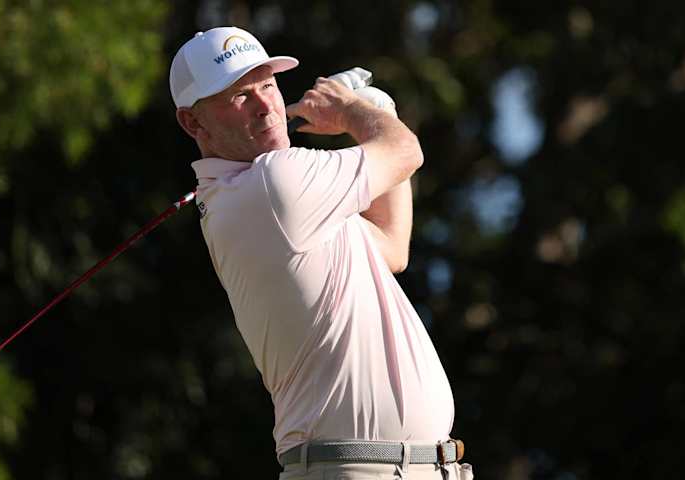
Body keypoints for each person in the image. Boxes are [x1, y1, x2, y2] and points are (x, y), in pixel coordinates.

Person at [171, 26, 472, 480]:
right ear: (193, 123)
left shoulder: (265, 196)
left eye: (267, 85)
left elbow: (391, 246)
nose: (265, 106)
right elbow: (404, 151)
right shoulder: (273, 183)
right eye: (239, 96)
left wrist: (377, 111)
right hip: (356, 468)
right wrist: (352, 110)